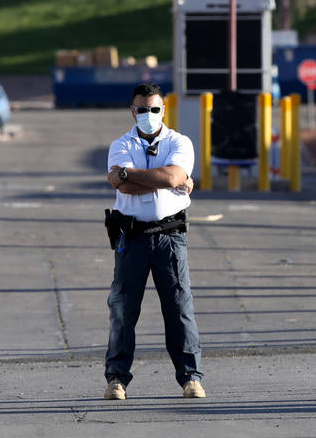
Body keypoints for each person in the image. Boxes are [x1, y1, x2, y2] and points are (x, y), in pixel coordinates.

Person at [102, 82, 205, 401]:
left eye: (155, 109)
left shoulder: (179, 142)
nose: (149, 115)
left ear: (164, 110)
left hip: (169, 237)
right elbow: (121, 186)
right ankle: (116, 379)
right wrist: (164, 179)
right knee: (122, 309)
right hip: (131, 238)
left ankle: (190, 377)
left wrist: (132, 175)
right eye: (142, 110)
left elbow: (173, 177)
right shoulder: (121, 144)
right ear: (133, 111)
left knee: (179, 307)